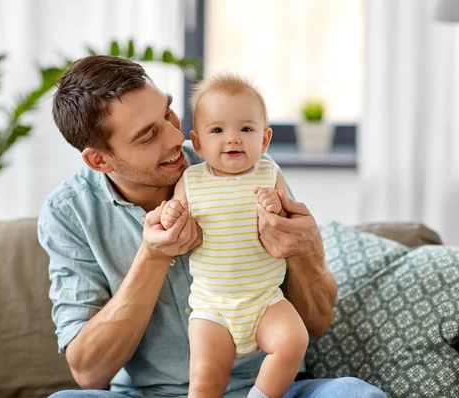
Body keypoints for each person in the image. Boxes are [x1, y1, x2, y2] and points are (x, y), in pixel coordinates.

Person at [38, 55, 386, 398]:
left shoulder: (245, 166)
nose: (176, 137)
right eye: (147, 136)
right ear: (98, 159)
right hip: (149, 394)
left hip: (271, 389)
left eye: (167, 112)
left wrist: (305, 251)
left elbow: (318, 323)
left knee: (355, 394)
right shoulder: (69, 212)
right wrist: (153, 257)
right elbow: (88, 372)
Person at [160, 74, 307, 398]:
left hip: (265, 299)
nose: (233, 139)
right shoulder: (191, 179)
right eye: (217, 130)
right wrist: (171, 214)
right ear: (197, 143)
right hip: (213, 307)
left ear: (265, 139)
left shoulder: (270, 173)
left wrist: (276, 207)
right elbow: (175, 213)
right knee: (206, 377)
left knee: (294, 340)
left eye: (246, 128)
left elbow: (287, 225)